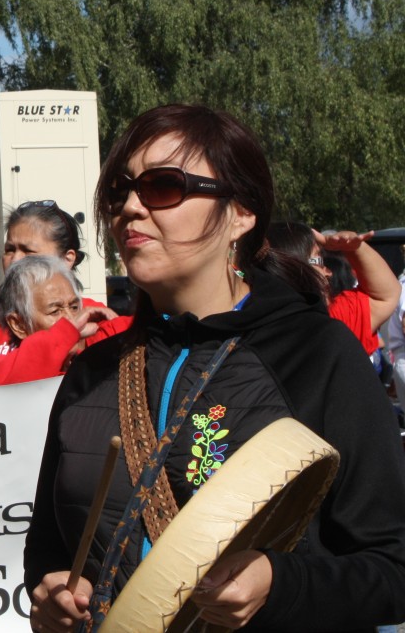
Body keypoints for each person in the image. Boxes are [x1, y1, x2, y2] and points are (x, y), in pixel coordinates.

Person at [25, 105, 405, 632]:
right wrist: (51, 596)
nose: (131, 207)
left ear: (241, 212)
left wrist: (280, 582)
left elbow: (392, 566)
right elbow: (47, 550)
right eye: (119, 190)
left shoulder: (318, 355)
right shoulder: (91, 372)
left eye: (163, 186)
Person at [0, 201, 126, 388]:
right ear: (16, 323)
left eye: (29, 251)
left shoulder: (97, 320)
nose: (16, 260)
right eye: (10, 250)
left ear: (67, 259)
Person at [265, 220, 402, 354]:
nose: (328, 272)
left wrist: (354, 247)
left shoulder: (335, 318)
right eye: (319, 260)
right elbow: (386, 296)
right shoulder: (255, 338)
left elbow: (387, 295)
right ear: (291, 269)